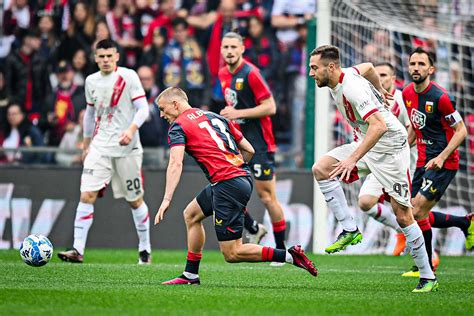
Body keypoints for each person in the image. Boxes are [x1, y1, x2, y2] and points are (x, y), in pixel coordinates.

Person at [154, 87, 317, 285]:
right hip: (237, 178)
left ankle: (290, 256)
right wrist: (235, 168)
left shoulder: (179, 126)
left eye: (163, 109)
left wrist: (166, 198)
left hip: (227, 183)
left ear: (175, 104)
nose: (162, 115)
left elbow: (175, 163)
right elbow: (249, 149)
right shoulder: (215, 116)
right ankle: (190, 275)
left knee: (233, 252)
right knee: (191, 214)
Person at [309, 45, 437, 292]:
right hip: (369, 143)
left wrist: (352, 159)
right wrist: (379, 91)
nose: (311, 73)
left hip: (390, 148)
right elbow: (368, 67)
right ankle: (349, 228)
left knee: (403, 214)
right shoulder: (346, 74)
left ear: (331, 67)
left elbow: (378, 126)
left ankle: (427, 275)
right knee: (321, 168)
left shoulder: (352, 88)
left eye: (315, 68)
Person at [57, 39, 152, 264]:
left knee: (135, 200)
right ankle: (77, 249)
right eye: (101, 57)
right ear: (96, 58)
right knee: (86, 195)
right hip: (100, 146)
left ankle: (144, 249)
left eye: (110, 56)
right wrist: (87, 143)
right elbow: (90, 114)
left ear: (117, 56)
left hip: (127, 148)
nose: (106, 60)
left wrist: (131, 129)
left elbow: (143, 109)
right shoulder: (91, 81)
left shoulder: (129, 77)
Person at [401, 47, 472, 277]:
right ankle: (464, 222)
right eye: (413, 63)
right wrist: (401, 149)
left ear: (431, 69)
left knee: (417, 210)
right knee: (414, 212)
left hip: (444, 163)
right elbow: (416, 126)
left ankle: (427, 267)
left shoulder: (441, 97)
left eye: (421, 64)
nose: (416, 68)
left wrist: (441, 157)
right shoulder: (407, 93)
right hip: (422, 161)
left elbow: (460, 131)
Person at [218, 32, 286, 252]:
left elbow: (270, 106)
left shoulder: (251, 73)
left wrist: (237, 113)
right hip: (238, 145)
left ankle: (281, 248)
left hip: (260, 145)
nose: (229, 51)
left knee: (267, 197)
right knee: (228, 190)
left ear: (242, 49)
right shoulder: (222, 73)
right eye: (226, 47)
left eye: (233, 47)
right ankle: (254, 229)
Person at [357, 62, 417, 256]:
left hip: (403, 160)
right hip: (379, 159)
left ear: (393, 79)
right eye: (377, 74)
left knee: (410, 211)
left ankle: (428, 257)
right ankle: (401, 232)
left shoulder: (401, 99)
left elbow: (414, 129)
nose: (379, 78)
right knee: (365, 202)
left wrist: (400, 150)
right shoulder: (367, 98)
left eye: (384, 75)